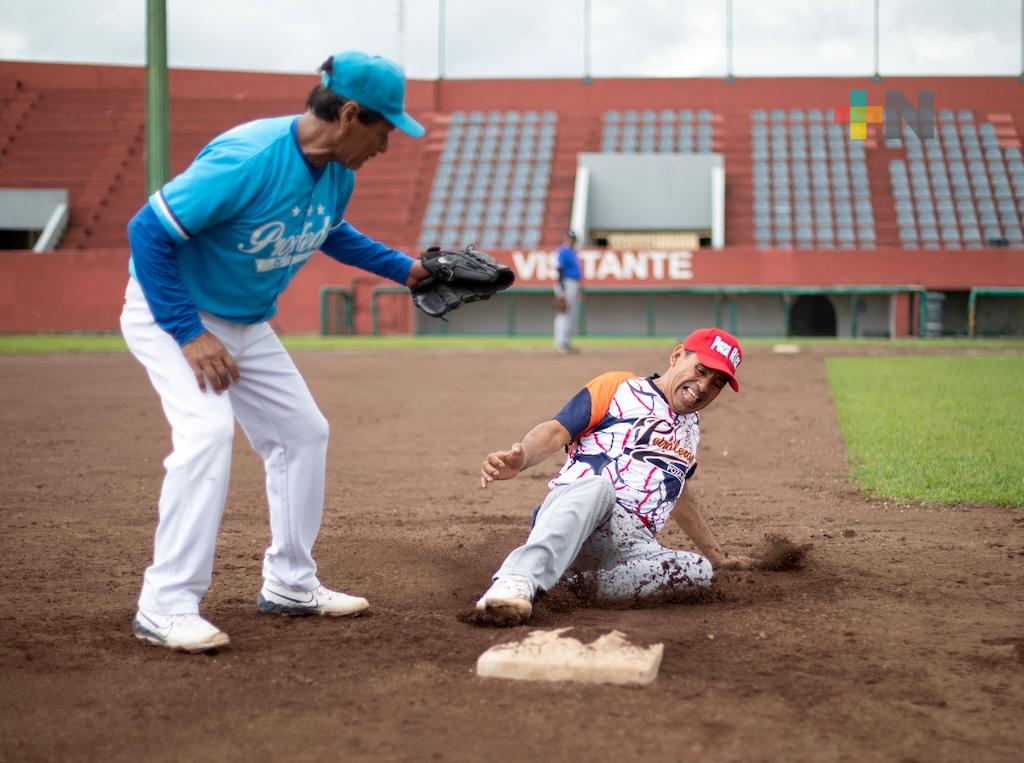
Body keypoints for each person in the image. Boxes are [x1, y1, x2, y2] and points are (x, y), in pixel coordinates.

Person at [120, 51, 431, 653]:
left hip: (244, 323)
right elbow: (147, 231)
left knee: (302, 433)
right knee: (207, 435)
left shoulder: (338, 171)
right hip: (173, 312)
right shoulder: (248, 158)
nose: (386, 145)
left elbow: (328, 229)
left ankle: (290, 583)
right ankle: (166, 604)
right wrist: (188, 332)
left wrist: (406, 270)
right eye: (383, 129)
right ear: (347, 115)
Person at [476, 327, 756, 624]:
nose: (703, 386)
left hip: (631, 546)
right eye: (700, 370)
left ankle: (570, 587)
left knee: (696, 570)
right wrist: (521, 460)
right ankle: (515, 582)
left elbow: (677, 493)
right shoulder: (621, 387)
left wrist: (717, 556)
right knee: (600, 487)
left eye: (717, 383)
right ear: (676, 356)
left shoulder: (690, 430)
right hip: (579, 513)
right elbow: (557, 430)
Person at [553, 230, 582, 353]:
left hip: (574, 283)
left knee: (571, 314)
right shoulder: (563, 251)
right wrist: (562, 289)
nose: (572, 240)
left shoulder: (573, 252)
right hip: (565, 282)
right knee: (563, 314)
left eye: (573, 238)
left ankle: (566, 342)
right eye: (570, 238)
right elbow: (559, 269)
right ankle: (560, 343)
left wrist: (580, 289)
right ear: (566, 238)